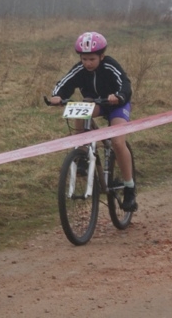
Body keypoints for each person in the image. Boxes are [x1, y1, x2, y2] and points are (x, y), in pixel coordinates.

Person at [48, 31, 137, 212]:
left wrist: (119, 96)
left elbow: (125, 84)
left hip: (117, 105)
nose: (87, 63)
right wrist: (57, 96)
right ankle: (82, 154)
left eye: (92, 59)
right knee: (81, 110)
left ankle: (129, 187)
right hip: (97, 103)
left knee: (117, 142)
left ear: (101, 56)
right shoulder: (80, 69)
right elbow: (64, 82)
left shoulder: (110, 65)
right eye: (84, 59)